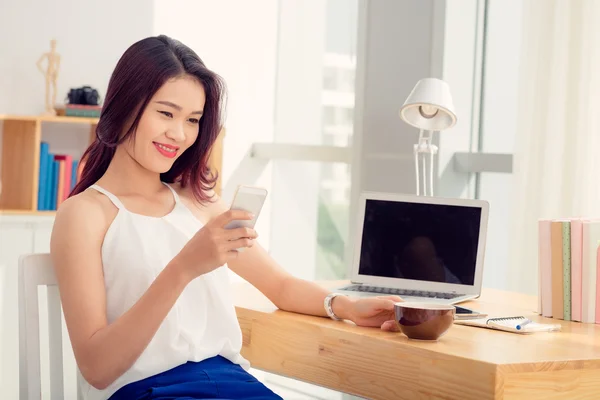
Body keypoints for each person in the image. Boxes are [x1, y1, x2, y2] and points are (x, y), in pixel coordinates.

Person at [50, 35, 402, 400]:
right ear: (125, 106)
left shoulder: (199, 204)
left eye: (193, 120)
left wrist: (347, 306)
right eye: (166, 113)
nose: (180, 134)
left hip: (234, 384)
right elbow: (97, 367)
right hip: (150, 391)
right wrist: (184, 266)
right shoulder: (85, 214)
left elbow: (280, 286)